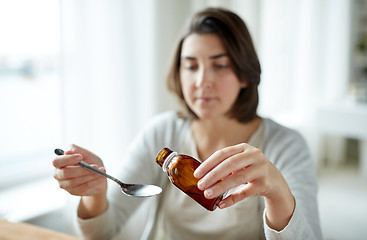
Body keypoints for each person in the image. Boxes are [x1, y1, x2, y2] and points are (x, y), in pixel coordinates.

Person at [53, 7, 322, 240]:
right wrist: (95, 193)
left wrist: (276, 192)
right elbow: (101, 233)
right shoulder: (161, 132)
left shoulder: (286, 145)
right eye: (191, 66)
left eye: (219, 65)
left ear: (244, 74)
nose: (202, 81)